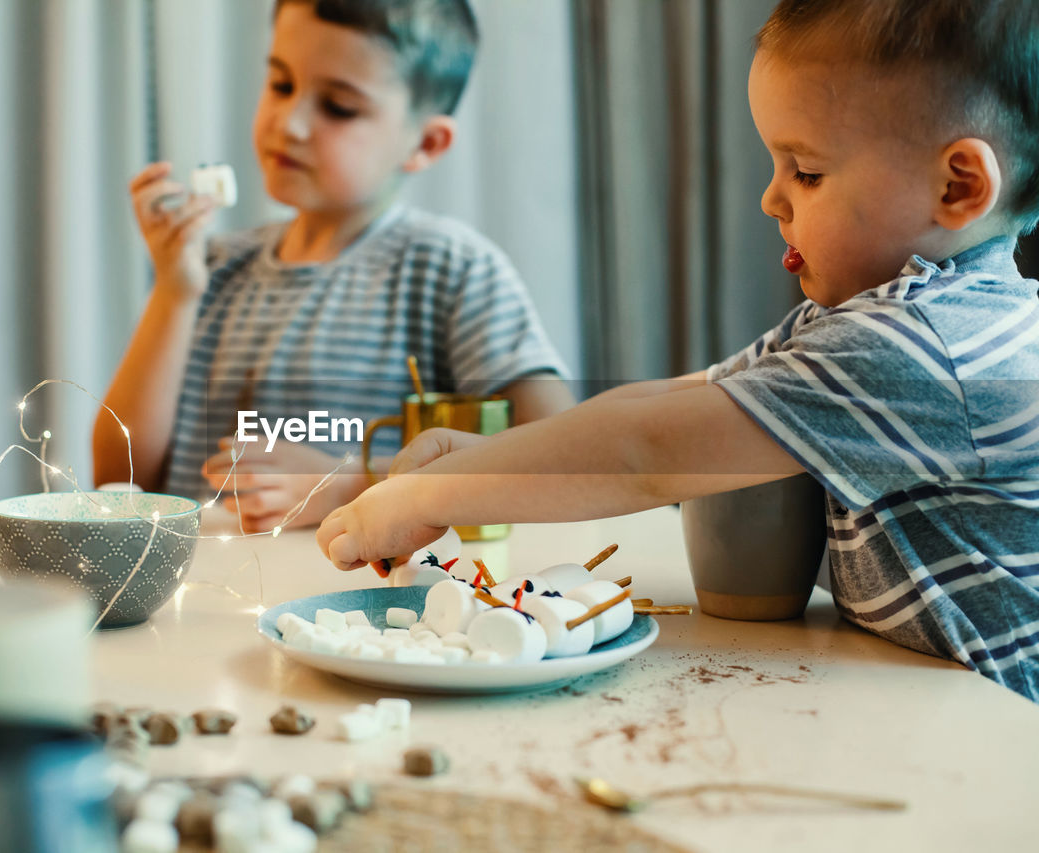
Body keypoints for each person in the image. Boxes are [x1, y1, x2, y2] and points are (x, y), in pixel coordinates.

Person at [318, 0, 1039, 700]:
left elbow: (649, 450)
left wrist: (428, 496)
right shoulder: (877, 316)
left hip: (1002, 726)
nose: (772, 199)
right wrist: (474, 458)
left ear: (959, 184)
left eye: (807, 172)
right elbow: (673, 401)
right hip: (935, 700)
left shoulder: (922, 345)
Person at [93, 0, 572, 532]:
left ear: (425, 143)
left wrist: (353, 484)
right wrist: (174, 292)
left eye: (339, 107)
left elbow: (558, 456)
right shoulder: (212, 268)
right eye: (280, 85)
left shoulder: (453, 270)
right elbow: (119, 476)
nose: (290, 123)